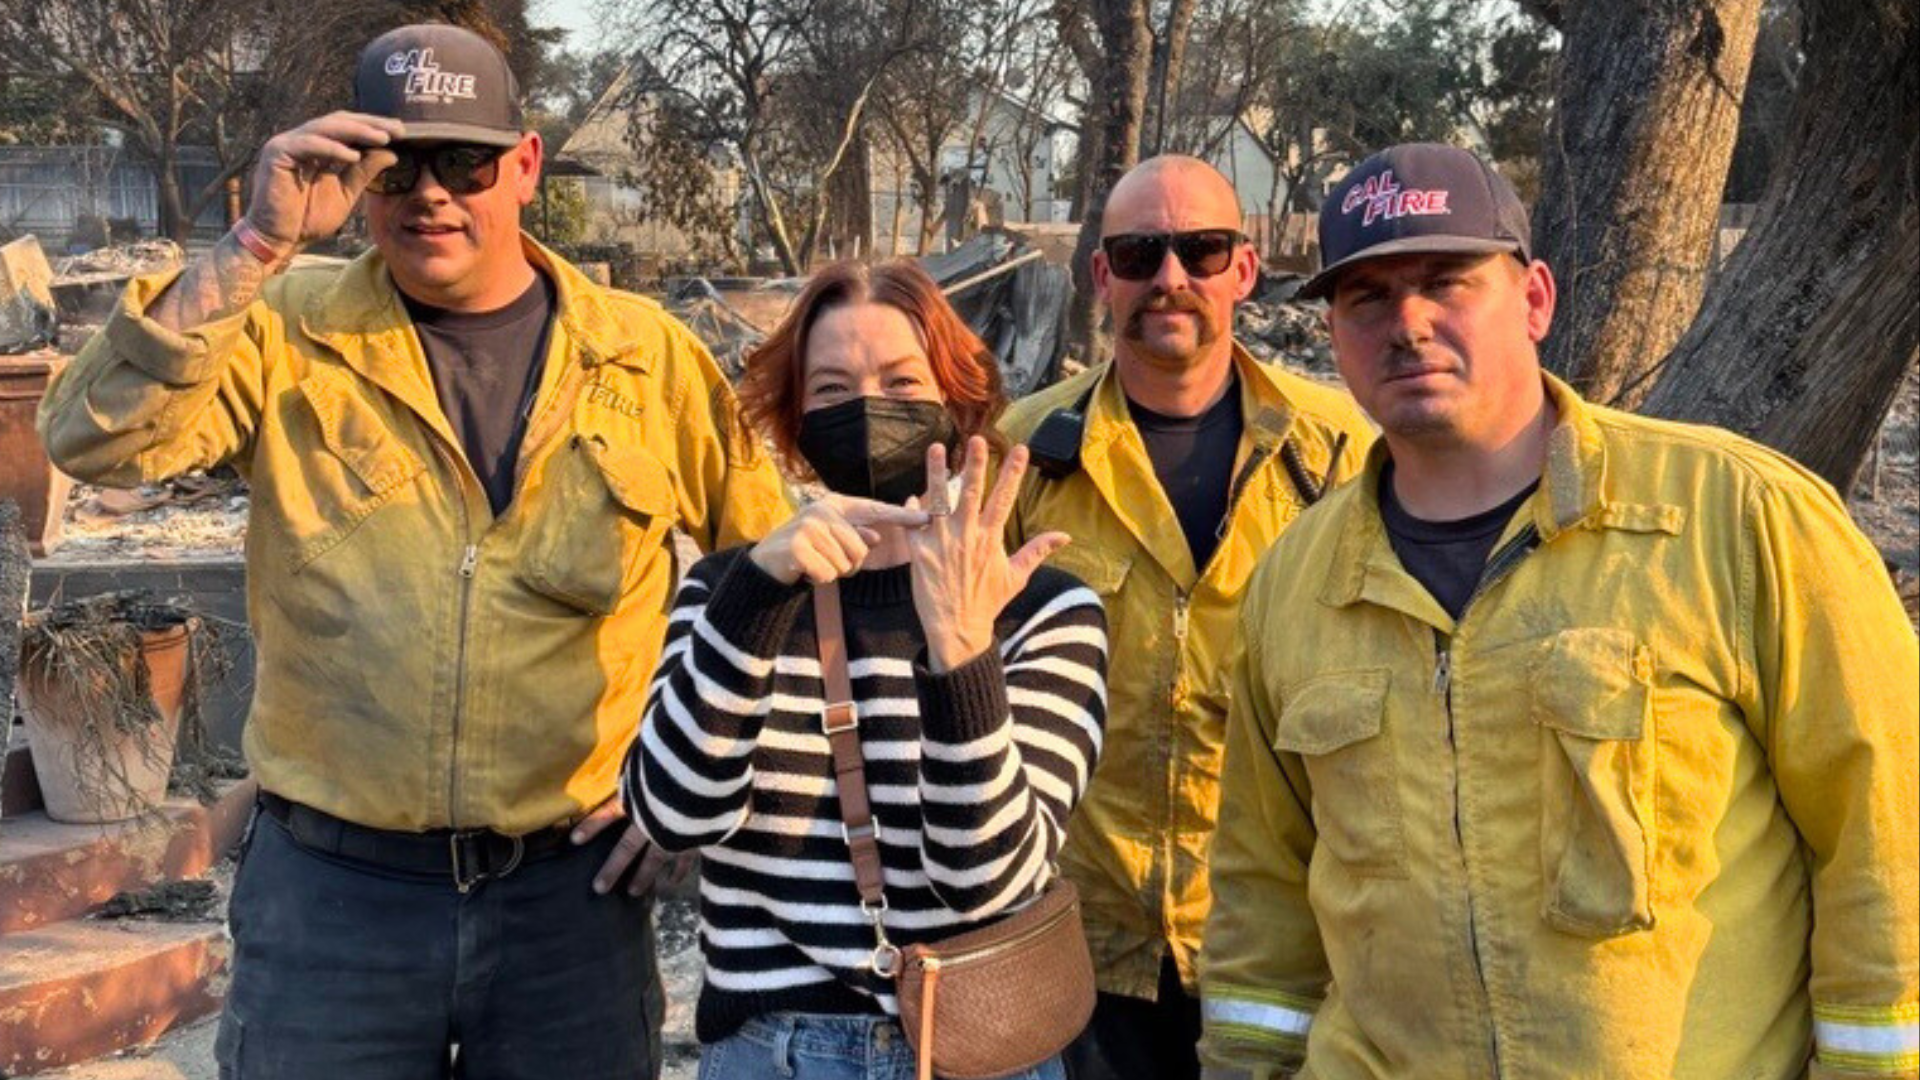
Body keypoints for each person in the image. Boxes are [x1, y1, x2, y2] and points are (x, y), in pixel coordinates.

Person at [37, 23, 789, 1080]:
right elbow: (90, 440)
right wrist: (255, 244)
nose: (429, 192)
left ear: (524, 166)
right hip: (333, 902)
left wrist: (687, 786)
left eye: (463, 162)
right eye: (394, 166)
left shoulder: (645, 357)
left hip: (569, 900)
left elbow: (767, 576)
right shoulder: (286, 330)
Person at [1198, 142, 1919, 1080]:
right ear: (1334, 332)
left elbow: (1887, 839)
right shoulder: (1295, 581)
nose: (1406, 322)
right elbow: (1264, 897)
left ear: (1535, 299)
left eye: (1446, 281)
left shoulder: (1736, 518)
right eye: (1365, 297)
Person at [622, 260, 1108, 1080]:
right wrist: (757, 595)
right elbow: (673, 814)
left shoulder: (1043, 609)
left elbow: (986, 879)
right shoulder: (727, 591)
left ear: (957, 401)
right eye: (834, 389)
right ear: (796, 421)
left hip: (978, 1049)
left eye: (902, 379)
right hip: (773, 1049)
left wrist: (960, 649)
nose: (869, 408)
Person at [998, 155, 1375, 1080]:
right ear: (1102, 275)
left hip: (1278, 938)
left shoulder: (1343, 457)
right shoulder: (1025, 456)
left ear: (1244, 270)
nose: (1170, 277)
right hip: (1079, 940)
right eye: (1138, 252)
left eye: (1201, 250)